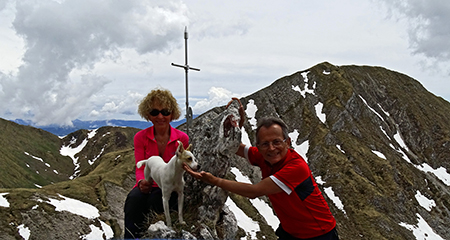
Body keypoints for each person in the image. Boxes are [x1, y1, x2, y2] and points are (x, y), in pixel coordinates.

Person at [184, 99, 339, 240]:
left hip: (319, 233)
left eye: (277, 142)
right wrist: (238, 126)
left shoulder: (296, 167)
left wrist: (214, 180)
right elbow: (234, 147)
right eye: (265, 144)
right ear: (258, 146)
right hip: (291, 231)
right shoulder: (264, 155)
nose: (271, 148)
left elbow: (254, 191)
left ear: (288, 142)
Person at [124, 88, 189, 239]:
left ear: (172, 114)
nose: (160, 116)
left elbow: (182, 167)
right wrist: (142, 181)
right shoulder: (140, 137)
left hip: (169, 185)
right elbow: (140, 165)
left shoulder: (182, 139)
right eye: (155, 112)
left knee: (155, 201)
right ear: (148, 115)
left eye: (165, 112)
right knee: (133, 201)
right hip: (148, 184)